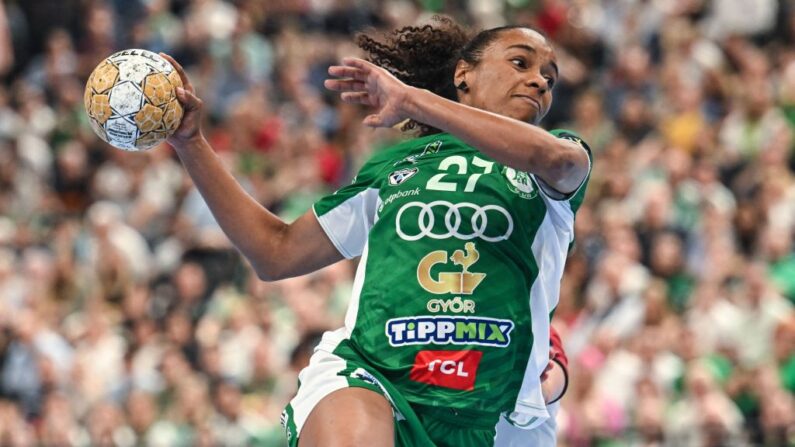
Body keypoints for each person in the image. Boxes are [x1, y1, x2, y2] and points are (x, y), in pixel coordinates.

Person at [162, 15, 591, 447]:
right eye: (521, 63)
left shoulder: (551, 165)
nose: (539, 82)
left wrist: (413, 100)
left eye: (549, 79)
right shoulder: (396, 167)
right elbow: (275, 251)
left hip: (496, 415)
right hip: (375, 375)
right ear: (464, 73)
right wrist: (191, 143)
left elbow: (558, 160)